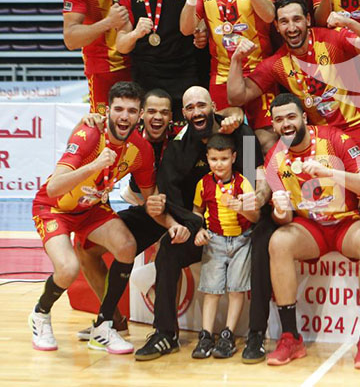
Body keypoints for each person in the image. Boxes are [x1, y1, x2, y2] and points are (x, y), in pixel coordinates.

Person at [134, 86, 264, 361]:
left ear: (213, 106)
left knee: (265, 243)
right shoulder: (178, 148)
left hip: (246, 225)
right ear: (184, 113)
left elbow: (260, 180)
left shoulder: (244, 135)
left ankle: (256, 337)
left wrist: (253, 210)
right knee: (168, 249)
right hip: (201, 229)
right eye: (190, 108)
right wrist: (185, 226)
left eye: (201, 106)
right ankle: (165, 334)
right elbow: (169, 198)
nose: (196, 112)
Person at [28, 81, 157, 354]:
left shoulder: (141, 150)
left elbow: (150, 196)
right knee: (68, 269)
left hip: (91, 210)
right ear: (107, 110)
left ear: (140, 115)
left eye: (132, 111)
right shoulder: (89, 134)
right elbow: (53, 187)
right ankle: (40, 314)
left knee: (127, 246)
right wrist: (95, 165)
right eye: (119, 109)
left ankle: (103, 325)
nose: (124, 116)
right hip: (55, 208)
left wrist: (173, 219)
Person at [262, 93, 360, 369]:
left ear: (304, 118)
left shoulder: (334, 139)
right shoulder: (275, 157)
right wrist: (280, 211)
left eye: (291, 117)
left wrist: (329, 173)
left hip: (346, 223)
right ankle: (291, 337)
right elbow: (283, 219)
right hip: (310, 228)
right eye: (279, 120)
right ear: (273, 125)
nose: (286, 124)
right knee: (278, 242)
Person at [72, 88, 190, 341]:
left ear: (172, 117)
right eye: (151, 112)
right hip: (151, 208)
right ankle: (112, 320)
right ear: (141, 115)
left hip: (183, 213)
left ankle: (166, 331)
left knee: (168, 250)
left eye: (164, 112)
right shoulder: (129, 137)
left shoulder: (184, 136)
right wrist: (87, 120)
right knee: (85, 247)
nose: (157, 117)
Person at [227, 0, 360, 145]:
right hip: (323, 137)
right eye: (284, 22)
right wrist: (236, 60)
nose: (292, 28)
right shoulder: (277, 63)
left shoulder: (332, 38)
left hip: (359, 126)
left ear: (307, 19)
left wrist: (348, 22)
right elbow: (236, 98)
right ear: (277, 27)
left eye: (297, 19)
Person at [180, 0, 277, 151]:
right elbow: (186, 29)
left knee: (266, 140)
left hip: (259, 74)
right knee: (224, 141)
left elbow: (269, 15)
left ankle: (263, 184)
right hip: (222, 77)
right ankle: (235, 186)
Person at [115, 0, 198, 121]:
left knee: (186, 131)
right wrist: (135, 33)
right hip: (146, 73)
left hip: (183, 69)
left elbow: (198, 24)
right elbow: (121, 46)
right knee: (151, 131)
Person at [191, 135, 259, 359]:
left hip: (242, 241)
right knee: (211, 290)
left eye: (223, 158)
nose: (218, 164)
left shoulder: (244, 183)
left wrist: (240, 207)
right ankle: (206, 334)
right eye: (213, 159)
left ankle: (228, 335)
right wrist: (197, 230)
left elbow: (255, 216)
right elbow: (197, 212)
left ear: (234, 157)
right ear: (207, 159)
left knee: (236, 289)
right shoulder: (203, 184)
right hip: (214, 241)